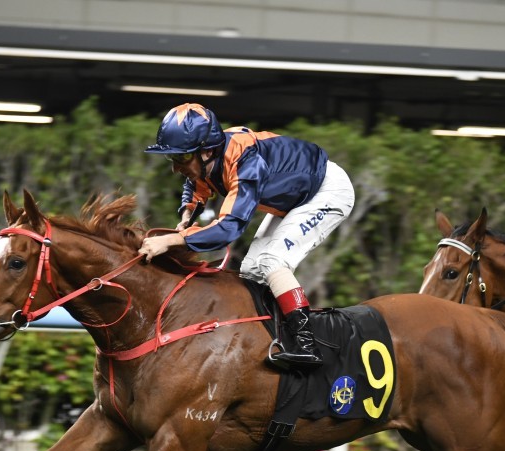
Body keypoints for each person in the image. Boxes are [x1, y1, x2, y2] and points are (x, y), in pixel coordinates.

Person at [138, 103, 355, 370]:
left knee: (273, 262)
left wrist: (171, 240)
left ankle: (307, 345)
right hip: (296, 197)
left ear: (206, 151)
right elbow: (196, 184)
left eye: (181, 157)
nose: (175, 167)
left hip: (327, 191)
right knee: (251, 270)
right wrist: (186, 215)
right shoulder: (210, 157)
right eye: (172, 157)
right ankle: (270, 337)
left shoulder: (246, 163)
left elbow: (228, 229)